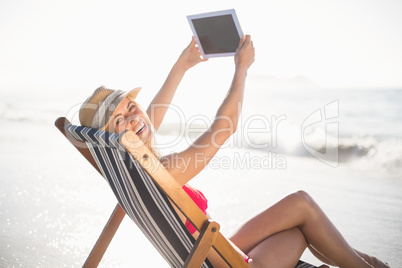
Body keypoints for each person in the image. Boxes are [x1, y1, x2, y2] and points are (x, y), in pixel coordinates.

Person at [78, 36, 389, 268]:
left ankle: (367, 262)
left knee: (299, 225)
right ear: (110, 136)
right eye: (119, 120)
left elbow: (146, 120)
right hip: (224, 264)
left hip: (211, 253)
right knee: (302, 206)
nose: (134, 117)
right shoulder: (162, 171)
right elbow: (223, 128)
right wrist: (241, 69)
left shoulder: (127, 167)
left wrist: (181, 66)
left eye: (132, 107)